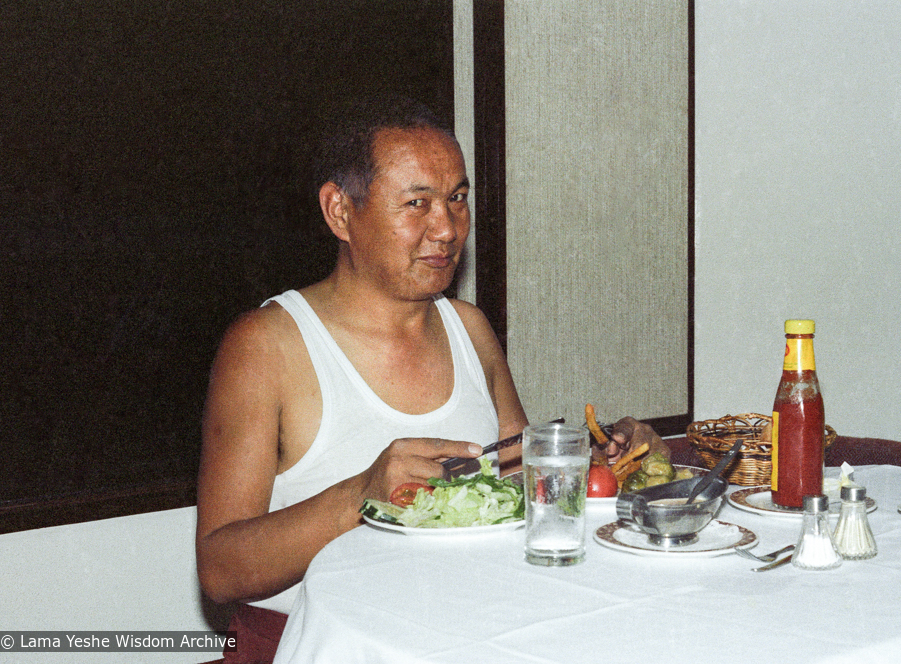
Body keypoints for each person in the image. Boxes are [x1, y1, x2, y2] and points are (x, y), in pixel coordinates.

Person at [195, 95, 668, 662]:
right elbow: (219, 570)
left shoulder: (469, 328)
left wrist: (606, 461)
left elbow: (515, 483)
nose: (447, 228)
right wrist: (360, 497)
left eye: (457, 199)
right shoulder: (267, 345)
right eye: (416, 203)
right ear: (340, 211)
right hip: (321, 642)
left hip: (466, 630)